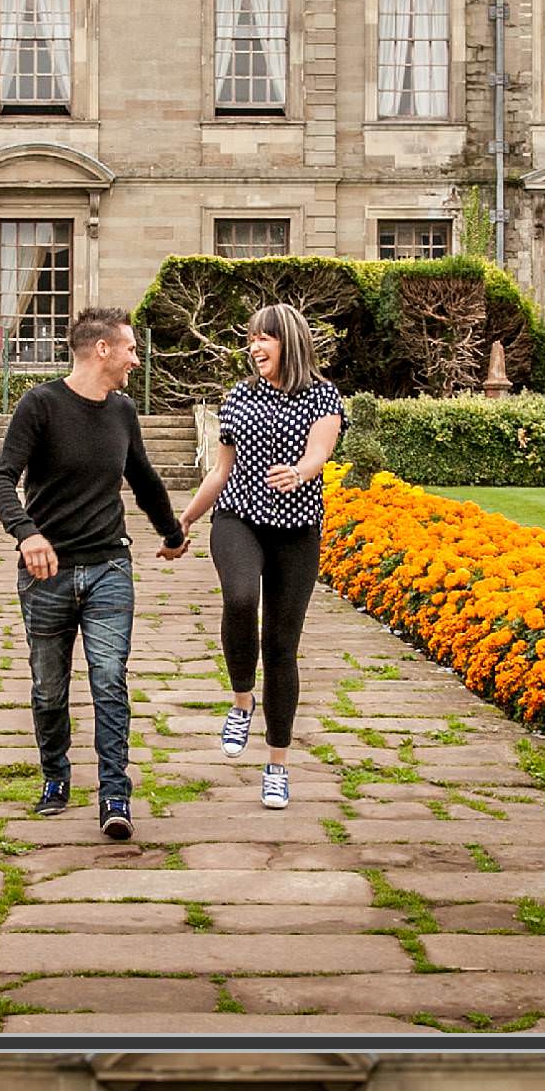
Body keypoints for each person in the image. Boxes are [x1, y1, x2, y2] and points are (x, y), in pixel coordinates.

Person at [0, 306, 190, 841]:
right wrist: (27, 534)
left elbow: (142, 479)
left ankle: (114, 794)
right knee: (49, 689)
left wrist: (171, 532)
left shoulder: (122, 411)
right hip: (46, 574)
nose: (135, 361)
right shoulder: (41, 405)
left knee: (108, 680)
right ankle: (55, 777)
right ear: (102, 350)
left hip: (108, 569)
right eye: (130, 349)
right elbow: (0, 479)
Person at [174, 304, 347, 812]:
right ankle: (240, 702)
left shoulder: (323, 395)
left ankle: (277, 765)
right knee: (241, 596)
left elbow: (321, 448)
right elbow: (221, 470)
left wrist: (302, 471)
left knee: (281, 647)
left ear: (288, 341)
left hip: (297, 531)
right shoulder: (239, 397)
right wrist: (183, 520)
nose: (254, 347)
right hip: (238, 518)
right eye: (250, 339)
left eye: (263, 339)